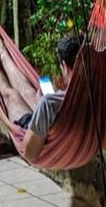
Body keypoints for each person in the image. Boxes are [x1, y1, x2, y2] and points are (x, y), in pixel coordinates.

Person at [21, 34, 83, 163]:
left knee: (11, 95)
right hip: (54, 119)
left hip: (38, 129)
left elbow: (29, 154)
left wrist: (40, 106)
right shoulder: (99, 98)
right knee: (29, 94)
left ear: (65, 66)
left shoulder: (48, 104)